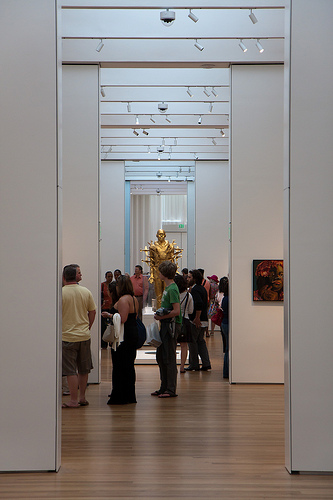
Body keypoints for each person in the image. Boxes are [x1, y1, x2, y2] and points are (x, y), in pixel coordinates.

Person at [62, 265, 96, 408]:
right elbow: (92, 312)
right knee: (83, 369)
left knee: (70, 371)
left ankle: (73, 400)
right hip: (84, 335)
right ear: (75, 276)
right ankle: (82, 397)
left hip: (67, 337)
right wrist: (87, 327)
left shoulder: (61, 293)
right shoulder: (85, 291)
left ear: (64, 278)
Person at [102, 275, 139, 405]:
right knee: (128, 365)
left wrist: (109, 315)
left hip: (123, 336)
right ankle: (129, 395)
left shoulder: (123, 300)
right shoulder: (134, 299)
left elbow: (122, 319)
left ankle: (119, 396)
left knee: (119, 365)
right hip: (132, 333)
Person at [151, 261, 181, 398]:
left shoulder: (173, 289)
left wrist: (161, 317)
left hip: (171, 325)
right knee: (162, 357)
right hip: (165, 324)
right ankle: (164, 387)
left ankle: (170, 389)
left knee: (169, 357)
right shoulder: (168, 288)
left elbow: (176, 311)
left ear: (164, 273)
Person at [141, 229, 182, 308]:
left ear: (165, 235)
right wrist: (152, 274)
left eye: (162, 234)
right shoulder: (153, 247)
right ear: (156, 235)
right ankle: (160, 310)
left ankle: (167, 309)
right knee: (158, 292)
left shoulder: (170, 246)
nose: (161, 236)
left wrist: (173, 272)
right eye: (159, 234)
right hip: (157, 270)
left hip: (167, 270)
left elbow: (172, 260)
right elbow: (152, 262)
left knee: (166, 290)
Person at [185, 269, 211, 371]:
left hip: (197, 320)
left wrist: (196, 318)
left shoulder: (195, 290)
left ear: (195, 279)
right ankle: (206, 363)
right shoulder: (202, 289)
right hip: (204, 319)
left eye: (190, 277)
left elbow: (199, 304)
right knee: (201, 342)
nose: (187, 279)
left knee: (193, 343)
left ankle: (194, 364)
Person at [174, 274, 194, 373]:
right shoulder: (188, 295)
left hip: (174, 320)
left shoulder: (173, 294)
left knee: (173, 344)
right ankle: (182, 366)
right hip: (185, 321)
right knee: (184, 346)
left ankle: (173, 365)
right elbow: (191, 310)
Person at [219, 276, 229, 379]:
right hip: (227, 323)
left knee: (227, 348)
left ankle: (226, 372)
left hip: (224, 323)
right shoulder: (228, 299)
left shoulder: (225, 298)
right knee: (228, 349)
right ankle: (227, 372)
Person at [101, 271, 113, 349]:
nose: (110, 278)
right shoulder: (102, 285)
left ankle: (111, 343)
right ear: (105, 277)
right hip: (104, 308)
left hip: (111, 308)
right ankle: (103, 344)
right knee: (103, 326)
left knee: (112, 326)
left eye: (111, 276)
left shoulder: (113, 285)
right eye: (108, 276)